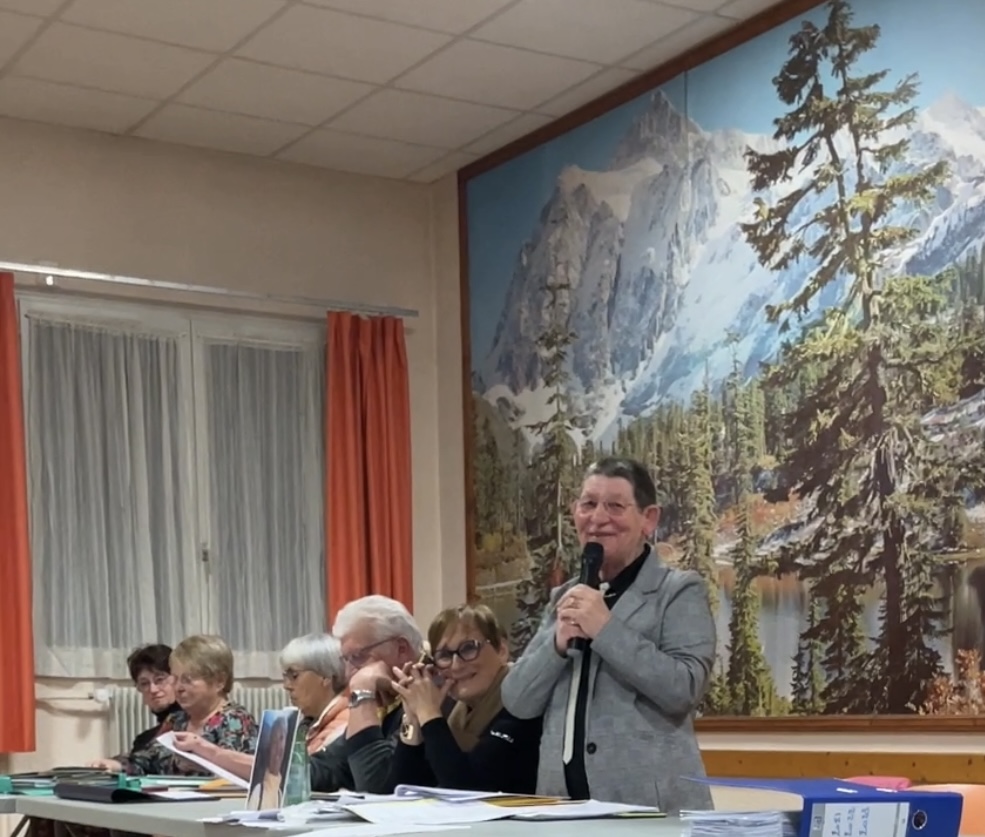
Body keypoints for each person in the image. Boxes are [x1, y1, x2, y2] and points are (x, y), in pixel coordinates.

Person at [501, 457, 716, 814]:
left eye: (615, 506)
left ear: (649, 519)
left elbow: (684, 688)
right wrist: (556, 645)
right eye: (588, 504)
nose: (598, 518)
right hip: (562, 812)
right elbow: (517, 700)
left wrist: (605, 629)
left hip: (649, 814)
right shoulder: (565, 596)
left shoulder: (678, 591)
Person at [390, 604, 541, 793]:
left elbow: (467, 787)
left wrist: (429, 715)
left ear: (501, 650)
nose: (456, 665)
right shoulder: (451, 710)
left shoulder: (523, 706)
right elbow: (400, 789)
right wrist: (412, 719)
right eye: (444, 655)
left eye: (469, 648)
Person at [174, 632, 349, 778]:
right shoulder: (307, 723)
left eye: (294, 675)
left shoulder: (344, 725)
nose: (286, 685)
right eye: (285, 676)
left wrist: (209, 752)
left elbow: (295, 773)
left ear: (326, 676)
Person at [90, 634, 258, 775]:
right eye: (175, 679)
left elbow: (240, 776)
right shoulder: (177, 720)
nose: (178, 688)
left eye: (187, 680)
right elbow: (146, 759)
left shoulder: (236, 720)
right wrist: (116, 765)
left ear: (219, 681)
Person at [309, 594, 423, 793]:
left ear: (401, 648)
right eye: (346, 660)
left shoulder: (430, 696)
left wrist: (362, 691)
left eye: (358, 657)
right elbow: (329, 767)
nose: (349, 673)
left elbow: (376, 786)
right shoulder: (386, 699)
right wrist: (257, 768)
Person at [247, 715, 289, 810]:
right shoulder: (258, 791)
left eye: (281, 738)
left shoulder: (280, 794)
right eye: (274, 741)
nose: (278, 747)